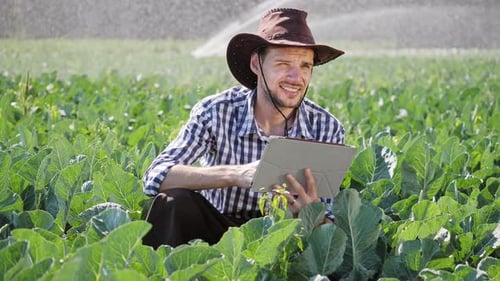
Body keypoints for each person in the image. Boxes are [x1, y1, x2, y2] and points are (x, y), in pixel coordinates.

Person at [142, 8, 345, 249]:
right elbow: (155, 176)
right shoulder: (216, 111)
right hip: (216, 232)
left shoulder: (326, 127)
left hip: (282, 236)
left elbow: (328, 228)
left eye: (305, 66)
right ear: (256, 64)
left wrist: (312, 214)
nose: (296, 77)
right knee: (173, 200)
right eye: (283, 63)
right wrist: (236, 174)